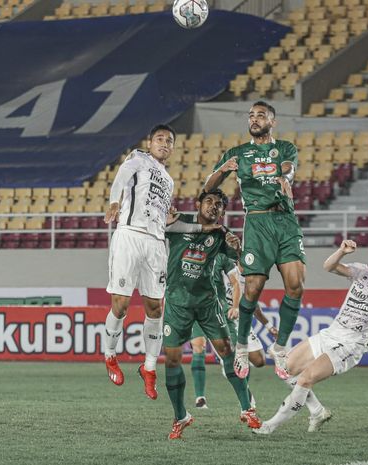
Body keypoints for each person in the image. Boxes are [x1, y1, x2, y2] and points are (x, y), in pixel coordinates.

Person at [254, 239, 368, 435]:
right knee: (285, 369)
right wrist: (342, 252)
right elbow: (329, 266)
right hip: (330, 333)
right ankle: (317, 411)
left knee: (305, 379)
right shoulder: (362, 272)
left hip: (351, 345)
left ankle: (270, 425)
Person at [203, 100, 305, 380]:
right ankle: (242, 347)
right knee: (252, 289)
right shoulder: (237, 152)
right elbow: (207, 187)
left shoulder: (284, 147)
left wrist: (285, 177)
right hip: (257, 222)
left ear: (273, 121)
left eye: (261, 115)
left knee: (295, 285)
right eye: (251, 115)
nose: (255, 119)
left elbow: (288, 166)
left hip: (285, 220)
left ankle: (281, 349)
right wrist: (224, 169)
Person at [162, 189, 261, 440]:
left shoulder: (223, 234)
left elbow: (242, 266)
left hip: (207, 304)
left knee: (227, 351)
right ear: (198, 204)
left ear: (224, 211)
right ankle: (180, 416)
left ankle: (247, 408)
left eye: (219, 204)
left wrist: (238, 249)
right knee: (172, 360)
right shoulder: (180, 220)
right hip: (176, 303)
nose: (214, 207)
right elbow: (159, 226)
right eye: (209, 202)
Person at [102, 124, 177, 399]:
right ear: (150, 142)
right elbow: (122, 176)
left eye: (169, 141)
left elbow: (158, 209)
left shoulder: (169, 181)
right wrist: (114, 201)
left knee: (155, 308)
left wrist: (169, 215)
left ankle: (148, 368)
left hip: (156, 243)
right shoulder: (138, 158)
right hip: (130, 236)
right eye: (160, 139)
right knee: (120, 304)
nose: (164, 143)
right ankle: (110, 355)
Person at [190, 257, 277, 410]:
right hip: (221, 316)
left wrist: (269, 326)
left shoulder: (252, 279)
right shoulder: (226, 270)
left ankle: (240, 381)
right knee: (217, 350)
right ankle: (240, 392)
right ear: (237, 262)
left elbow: (254, 305)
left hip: (242, 320)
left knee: (259, 361)